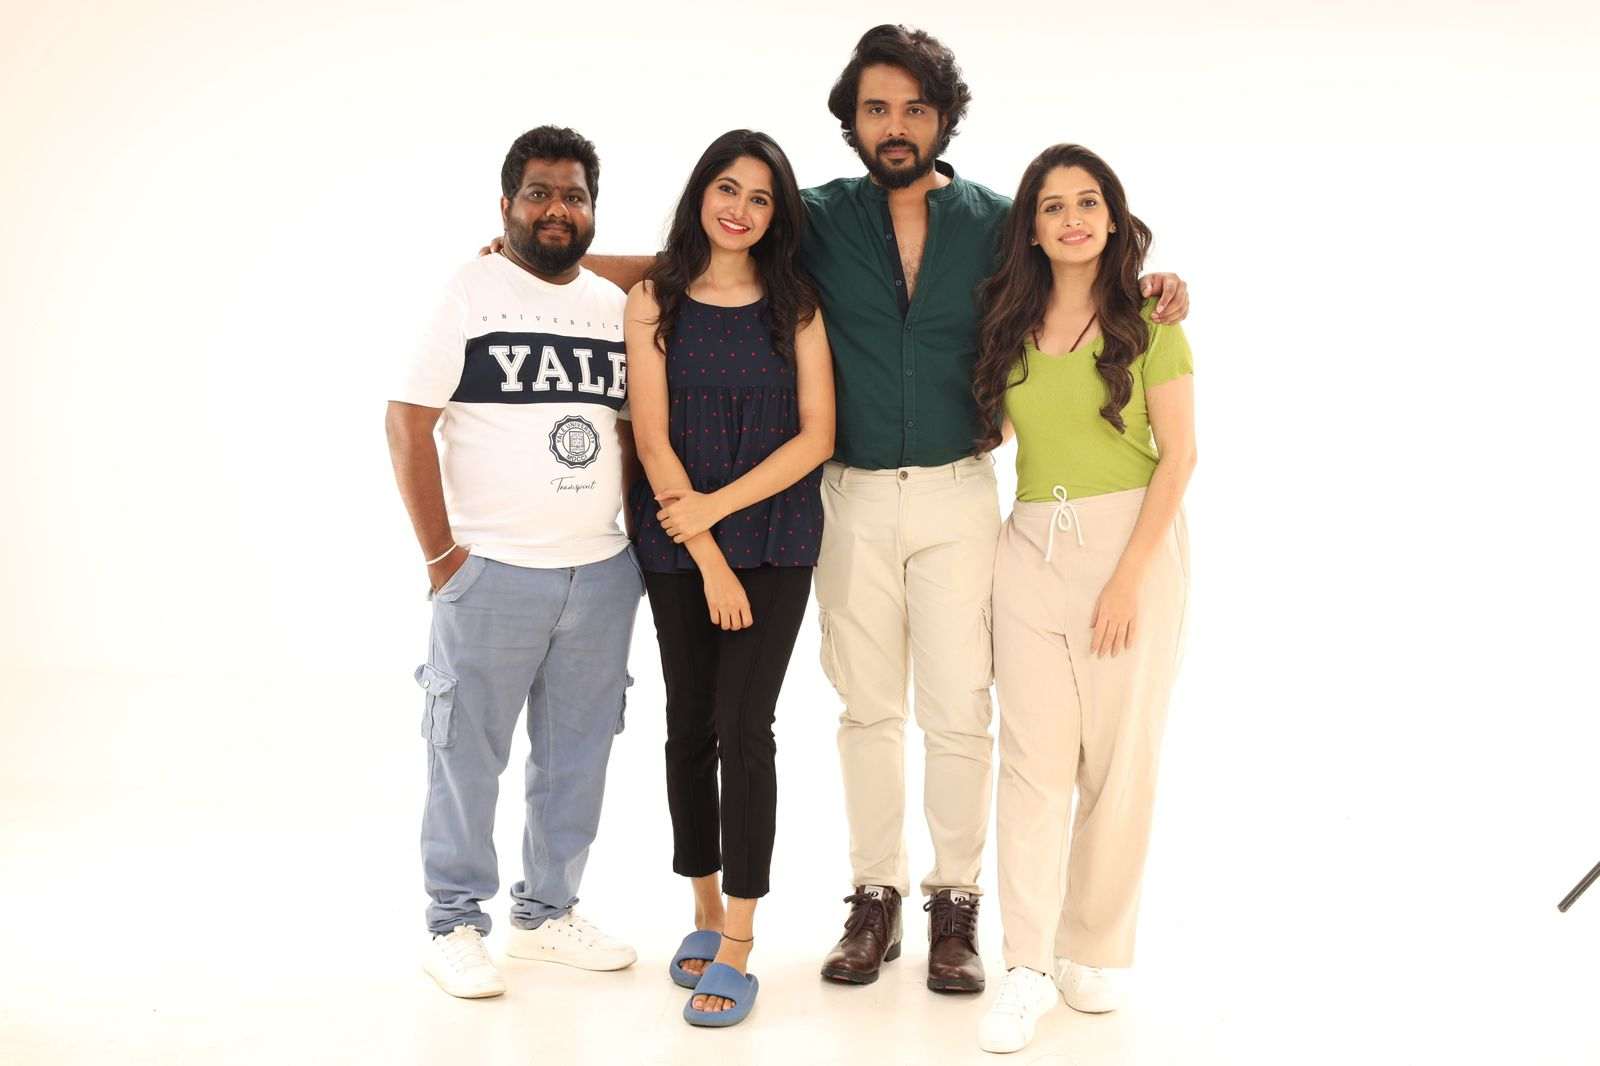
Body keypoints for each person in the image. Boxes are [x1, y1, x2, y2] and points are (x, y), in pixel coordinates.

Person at [477, 24, 1191, 995]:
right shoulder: (814, 216)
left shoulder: (993, 220)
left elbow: (1075, 263)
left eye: (914, 108)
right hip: (846, 497)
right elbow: (704, 255)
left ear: (943, 118)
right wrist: (551, 263)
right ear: (852, 122)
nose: (895, 126)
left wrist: (1154, 283)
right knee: (866, 709)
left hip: (957, 495)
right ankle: (873, 897)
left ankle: (955, 903)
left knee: (958, 710)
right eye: (875, 109)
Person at [388, 125, 644, 1000]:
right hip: (491, 571)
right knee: (467, 759)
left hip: (601, 572)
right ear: (507, 205)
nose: (556, 209)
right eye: (539, 193)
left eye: (574, 195)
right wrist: (443, 558)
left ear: (593, 210)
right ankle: (454, 924)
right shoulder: (470, 289)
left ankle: (546, 915)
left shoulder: (612, 307)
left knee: (577, 758)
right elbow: (407, 421)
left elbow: (629, 427)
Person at [970, 144, 1196, 1054]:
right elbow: (993, 435)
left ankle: (1091, 949)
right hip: (1029, 547)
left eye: (1088, 202)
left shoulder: (1152, 322)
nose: (1072, 218)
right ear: (1031, 227)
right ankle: (1026, 966)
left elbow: (1180, 458)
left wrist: (1127, 579)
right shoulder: (1008, 325)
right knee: (1032, 763)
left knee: (1118, 761)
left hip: (1132, 551)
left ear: (1112, 216)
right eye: (1053, 205)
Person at [624, 130, 835, 1027]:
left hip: (777, 539)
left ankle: (741, 941)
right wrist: (707, 552)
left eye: (759, 196)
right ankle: (704, 908)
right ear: (700, 194)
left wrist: (718, 512)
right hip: (679, 546)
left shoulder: (797, 305)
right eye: (726, 188)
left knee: (747, 729)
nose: (739, 209)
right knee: (689, 726)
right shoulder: (653, 299)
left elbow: (818, 436)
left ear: (776, 215)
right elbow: (651, 436)